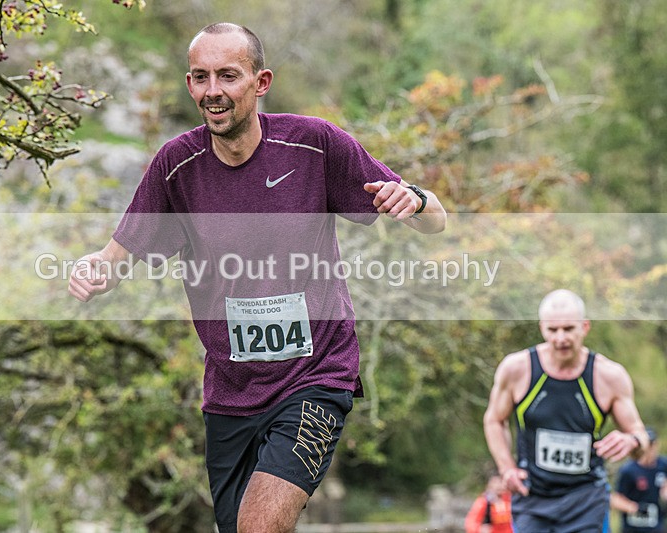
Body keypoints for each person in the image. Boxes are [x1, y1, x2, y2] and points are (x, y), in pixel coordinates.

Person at [69, 22, 446, 533]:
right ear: (189, 85)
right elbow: (115, 257)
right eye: (201, 78)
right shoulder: (176, 166)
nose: (213, 91)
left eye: (228, 75)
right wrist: (91, 270)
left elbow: (435, 219)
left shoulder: (315, 145)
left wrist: (418, 200)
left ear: (261, 81)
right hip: (230, 392)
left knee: (260, 528)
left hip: (315, 376)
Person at [483, 289, 650, 532]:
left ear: (585, 327)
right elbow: (494, 420)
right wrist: (506, 467)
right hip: (532, 496)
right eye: (553, 330)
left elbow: (641, 436)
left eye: (569, 329)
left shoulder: (609, 376)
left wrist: (632, 440)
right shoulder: (517, 369)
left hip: (586, 499)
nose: (561, 338)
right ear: (542, 328)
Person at [611, 427, 667, 533]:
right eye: (648, 445)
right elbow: (615, 499)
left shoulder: (663, 465)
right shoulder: (628, 470)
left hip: (657, 527)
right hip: (633, 528)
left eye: (653, 445)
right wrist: (635, 508)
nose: (651, 449)